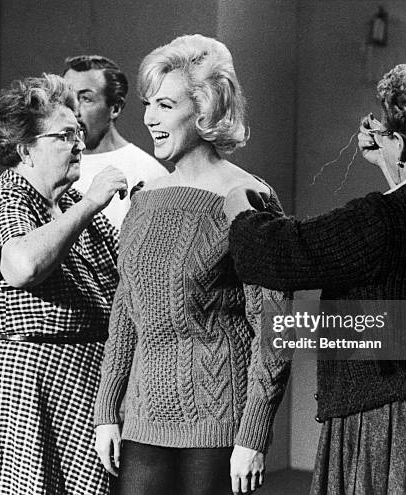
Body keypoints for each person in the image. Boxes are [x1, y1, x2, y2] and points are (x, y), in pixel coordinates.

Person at [224, 60, 406, 494]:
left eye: (389, 134)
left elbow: (274, 253)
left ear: (405, 144)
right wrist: (390, 162)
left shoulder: (384, 220)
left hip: (384, 420)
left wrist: (237, 203)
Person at [92, 34, 291, 495]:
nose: (149, 118)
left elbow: (274, 327)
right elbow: (126, 313)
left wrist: (254, 433)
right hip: (142, 421)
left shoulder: (248, 199)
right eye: (147, 104)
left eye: (164, 104)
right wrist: (107, 411)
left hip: (220, 425)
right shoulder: (143, 201)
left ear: (204, 110)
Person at [0, 74, 127, 495]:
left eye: (79, 133)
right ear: (24, 150)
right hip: (19, 391)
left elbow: (127, 280)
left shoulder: (69, 207)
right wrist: (91, 201)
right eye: (65, 136)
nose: (80, 144)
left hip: (79, 387)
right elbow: (24, 265)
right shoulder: (7, 200)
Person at [63, 55, 168, 231]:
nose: (74, 110)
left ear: (115, 108)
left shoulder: (148, 173)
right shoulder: (51, 165)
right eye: (68, 98)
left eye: (86, 99)